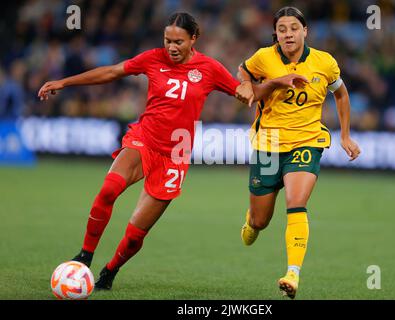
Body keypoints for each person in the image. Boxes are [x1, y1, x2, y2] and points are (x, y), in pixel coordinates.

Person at [38, 12, 301, 291]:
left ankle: (110, 271)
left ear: (193, 39)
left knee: (135, 234)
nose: (172, 47)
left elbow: (246, 93)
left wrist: (272, 84)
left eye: (178, 41)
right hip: (144, 140)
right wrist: (64, 83)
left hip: (175, 155)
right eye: (167, 41)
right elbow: (113, 71)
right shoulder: (152, 58)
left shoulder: (209, 68)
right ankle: (85, 256)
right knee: (108, 189)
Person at [236, 6, 361, 299]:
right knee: (260, 221)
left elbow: (340, 93)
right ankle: (252, 220)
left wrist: (344, 135)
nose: (288, 34)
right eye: (282, 29)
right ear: (275, 35)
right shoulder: (264, 57)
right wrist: (246, 85)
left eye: (294, 28)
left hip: (307, 142)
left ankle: (293, 273)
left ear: (305, 31)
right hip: (267, 145)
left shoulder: (324, 63)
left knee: (296, 202)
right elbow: (244, 73)